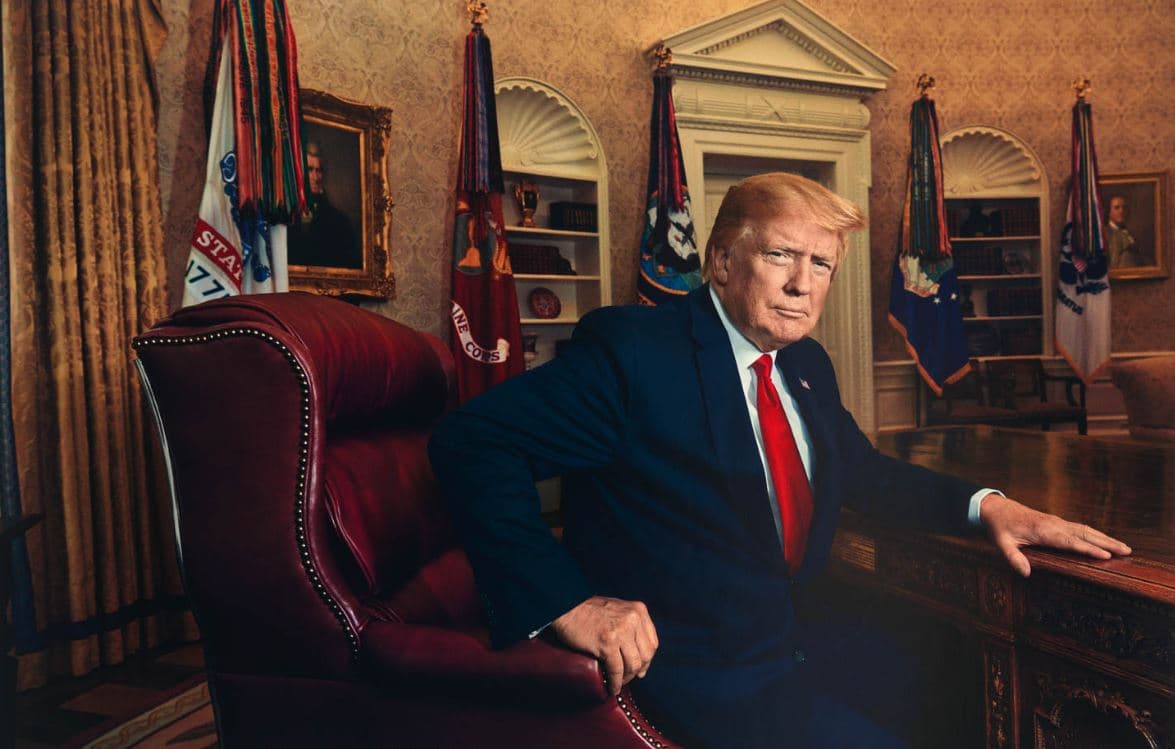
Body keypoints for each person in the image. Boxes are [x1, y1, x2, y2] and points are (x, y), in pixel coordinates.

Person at [428, 173, 1130, 748]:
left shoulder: (804, 364)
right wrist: (567, 602)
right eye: (779, 256)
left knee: (968, 698)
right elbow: (472, 441)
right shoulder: (634, 352)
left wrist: (989, 505)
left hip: (796, 639)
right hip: (695, 671)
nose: (802, 283)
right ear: (723, 261)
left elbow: (861, 472)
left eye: (820, 263)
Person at [288, 141, 362, 269]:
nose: (316, 177)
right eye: (310, 170)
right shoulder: (286, 213)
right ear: (300, 172)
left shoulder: (340, 220)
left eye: (319, 170)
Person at [1105, 195, 1142, 268]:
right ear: (1109, 212)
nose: (1121, 211)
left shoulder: (1131, 234)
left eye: (1124, 207)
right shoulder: (1105, 234)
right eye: (1117, 208)